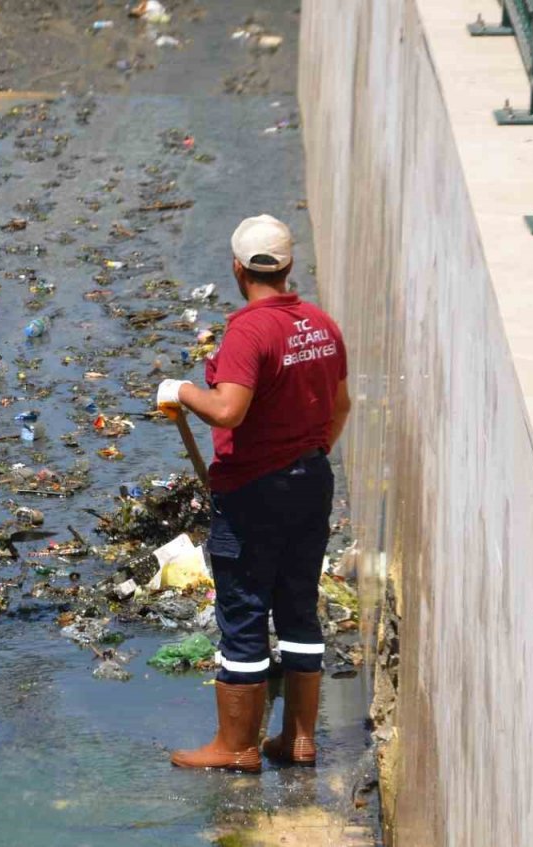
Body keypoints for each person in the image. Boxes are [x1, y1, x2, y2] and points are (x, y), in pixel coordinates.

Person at [157, 214, 351, 772]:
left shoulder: (249, 330)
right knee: (298, 607)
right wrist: (307, 454)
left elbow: (228, 409)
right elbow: (340, 408)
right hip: (311, 483)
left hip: (254, 493)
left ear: (238, 269)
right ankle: (299, 739)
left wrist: (183, 390)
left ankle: (236, 747)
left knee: (242, 609)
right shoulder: (321, 324)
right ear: (289, 266)